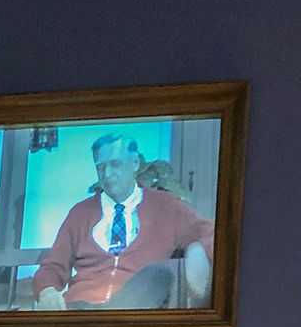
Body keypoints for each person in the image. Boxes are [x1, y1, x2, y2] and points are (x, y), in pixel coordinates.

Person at [34, 132, 214, 310]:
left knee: (157, 274)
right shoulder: (80, 213)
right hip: (83, 307)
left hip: (138, 307)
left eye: (115, 164)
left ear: (135, 163)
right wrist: (47, 291)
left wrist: (198, 254)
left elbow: (212, 235)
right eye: (100, 167)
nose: (107, 174)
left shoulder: (166, 206)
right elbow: (53, 265)